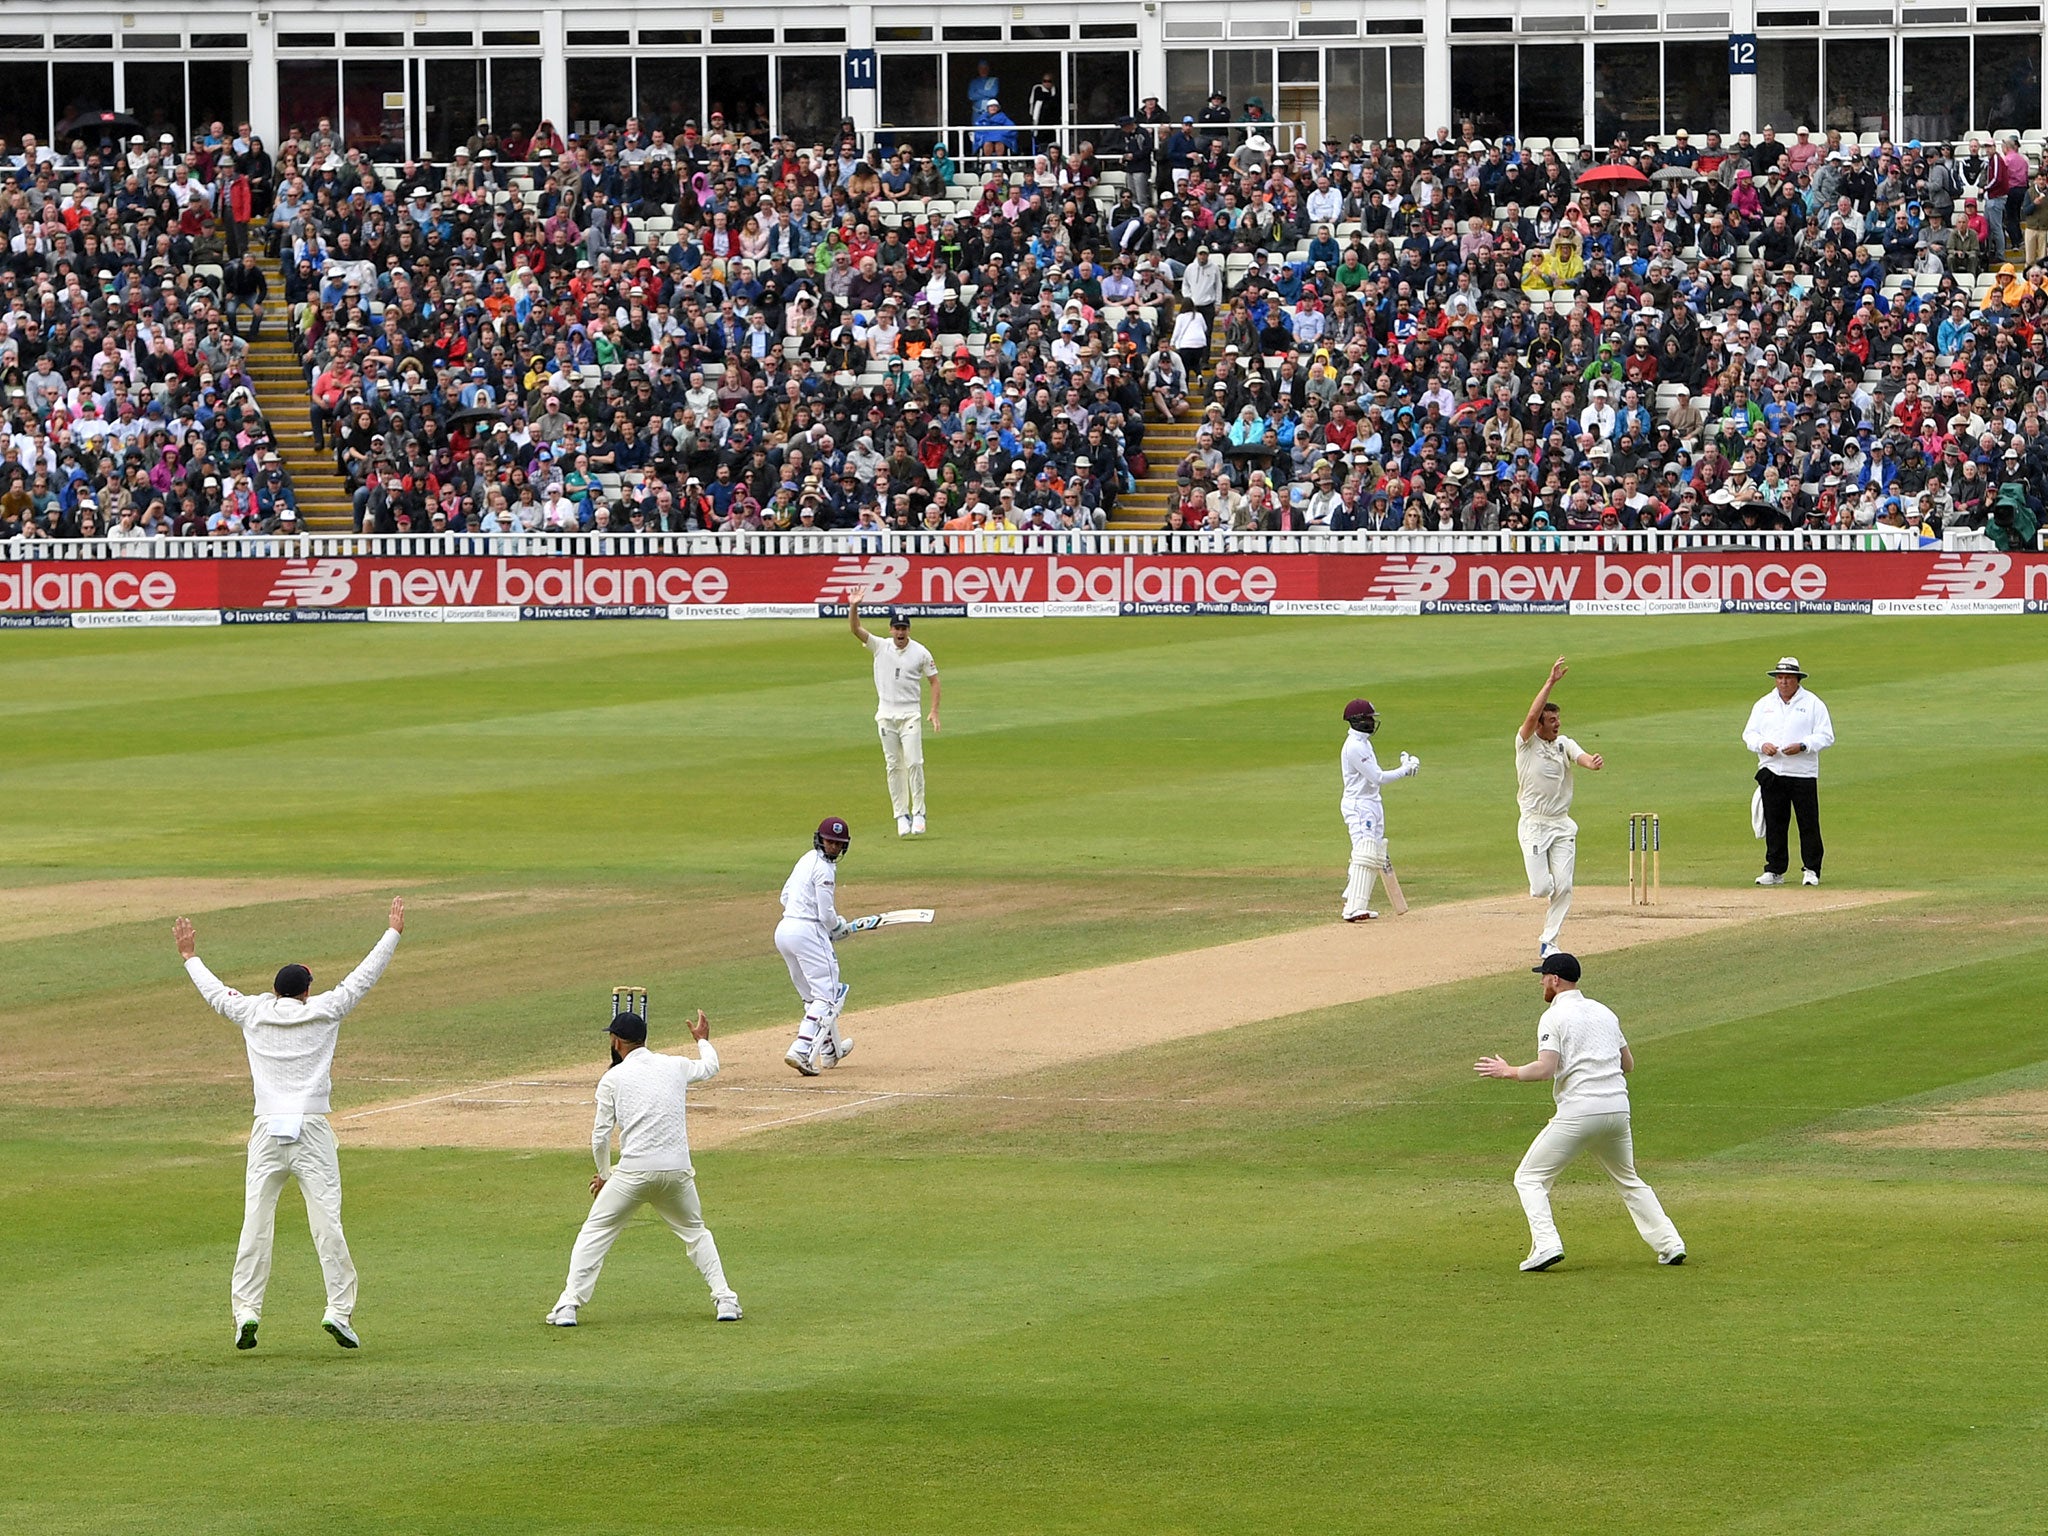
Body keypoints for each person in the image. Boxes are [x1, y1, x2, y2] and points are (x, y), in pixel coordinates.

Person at [175, 898, 406, 1351]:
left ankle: (246, 1312)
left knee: (255, 1224)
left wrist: (189, 956)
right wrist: (392, 932)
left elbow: (215, 992)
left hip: (265, 1133)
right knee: (327, 1225)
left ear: (277, 991)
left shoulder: (253, 1012)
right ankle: (338, 1312)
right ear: (305, 992)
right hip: (311, 1131)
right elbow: (363, 977)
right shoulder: (325, 1010)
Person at [1474, 952, 1686, 1273]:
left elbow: (1546, 1069)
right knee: (1629, 1180)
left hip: (1580, 1111)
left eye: (1544, 977)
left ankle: (1546, 1244)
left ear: (1555, 980)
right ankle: (1670, 1244)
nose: (1542, 983)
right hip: (1617, 1110)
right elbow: (1627, 1064)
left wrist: (1508, 1071)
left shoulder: (1553, 1017)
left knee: (1529, 1177)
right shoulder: (1605, 1012)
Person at [545, 1005, 741, 1327]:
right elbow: (710, 1067)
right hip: (677, 1172)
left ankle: (568, 1306)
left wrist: (606, 1176)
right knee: (696, 1233)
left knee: (594, 1232)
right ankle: (726, 1300)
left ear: (616, 1042)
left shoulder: (612, 1078)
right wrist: (702, 1040)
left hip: (633, 1172)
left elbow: (600, 1137)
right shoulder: (674, 1064)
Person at [1516, 658, 1604, 958]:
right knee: (1542, 888)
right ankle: (1542, 883)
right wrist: (1550, 681)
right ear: (1540, 723)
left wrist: (1591, 762)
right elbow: (1530, 714)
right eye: (1551, 721)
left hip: (1562, 824)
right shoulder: (1525, 745)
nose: (1557, 724)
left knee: (1564, 887)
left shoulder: (1563, 744)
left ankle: (1549, 941)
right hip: (1534, 825)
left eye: (1558, 720)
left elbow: (1581, 756)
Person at [850, 589, 941, 836]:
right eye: (896, 628)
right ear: (891, 630)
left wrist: (933, 711)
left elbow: (934, 681)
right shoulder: (880, 646)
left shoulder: (921, 652)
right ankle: (901, 815)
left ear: (908, 630)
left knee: (914, 763)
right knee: (893, 766)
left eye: (904, 628)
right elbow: (856, 630)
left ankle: (919, 812)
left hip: (910, 715)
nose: (900, 632)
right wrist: (854, 607)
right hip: (886, 716)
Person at [1743, 656, 1834, 886]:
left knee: (1808, 823)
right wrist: (1762, 745)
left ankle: (1811, 869)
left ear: (1797, 680)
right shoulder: (1763, 704)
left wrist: (1803, 746)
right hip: (1772, 771)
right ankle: (1775, 870)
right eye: (1780, 677)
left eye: (1788, 678)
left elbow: (1826, 736)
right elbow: (1749, 734)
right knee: (1775, 823)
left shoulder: (1813, 703)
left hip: (1802, 772)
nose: (1784, 682)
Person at [779, 816, 856, 1076]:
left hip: (784, 930)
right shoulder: (825, 869)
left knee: (813, 998)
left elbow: (785, 896)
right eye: (830, 841)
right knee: (829, 995)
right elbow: (826, 915)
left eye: (838, 843)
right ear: (820, 839)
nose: (833, 847)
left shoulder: (805, 859)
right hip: (807, 931)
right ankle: (801, 1050)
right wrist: (837, 929)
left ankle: (830, 1050)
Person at [1338, 698, 1419, 922]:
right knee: (1364, 852)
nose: (1372, 722)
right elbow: (1377, 777)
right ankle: (1351, 907)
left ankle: (1355, 902)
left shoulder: (1363, 742)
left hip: (1371, 802)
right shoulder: (1354, 746)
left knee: (1371, 854)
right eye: (1368, 718)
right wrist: (1405, 770)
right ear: (1357, 720)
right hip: (1359, 805)